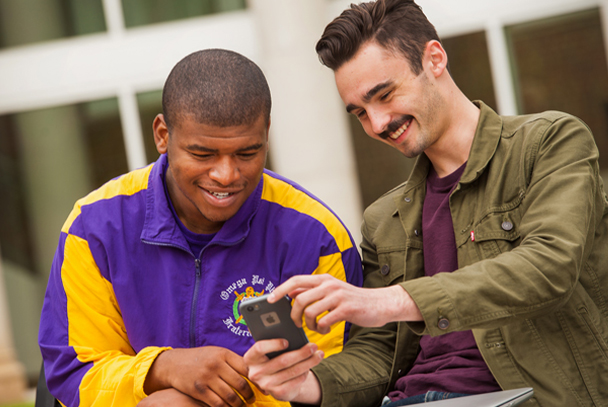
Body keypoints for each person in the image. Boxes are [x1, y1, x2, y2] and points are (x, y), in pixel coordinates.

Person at [243, 1, 608, 406]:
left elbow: (548, 266)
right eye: (360, 113)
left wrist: (390, 300)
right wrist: (307, 384)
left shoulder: (550, 143)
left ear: (434, 59)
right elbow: (380, 352)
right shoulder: (384, 220)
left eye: (384, 95)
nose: (378, 123)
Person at [38, 49, 362, 407]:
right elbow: (74, 374)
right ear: (163, 135)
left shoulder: (317, 237)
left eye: (246, 153)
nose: (226, 175)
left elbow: (339, 383)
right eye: (203, 155)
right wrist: (162, 368)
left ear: (266, 133)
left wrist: (232, 392)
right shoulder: (94, 227)